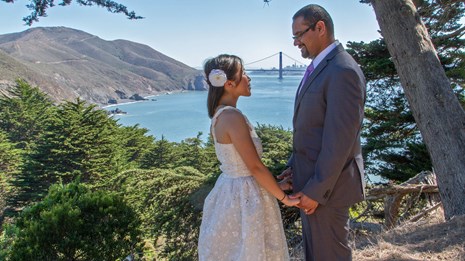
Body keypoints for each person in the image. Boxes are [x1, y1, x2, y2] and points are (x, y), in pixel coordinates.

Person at [279, 4, 367, 261]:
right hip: (313, 183)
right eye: (293, 37)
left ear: (320, 28)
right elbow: (313, 131)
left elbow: (339, 141)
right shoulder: (322, 67)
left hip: (328, 190)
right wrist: (294, 167)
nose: (295, 42)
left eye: (299, 34)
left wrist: (316, 191)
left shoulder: (343, 70)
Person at [198, 54, 299, 261]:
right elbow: (254, 167)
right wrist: (285, 199)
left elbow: (243, 166)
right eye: (243, 73)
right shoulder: (232, 116)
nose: (248, 78)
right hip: (244, 198)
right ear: (229, 83)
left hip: (232, 192)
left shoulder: (220, 114)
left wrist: (277, 183)